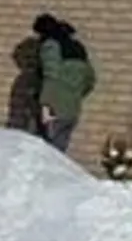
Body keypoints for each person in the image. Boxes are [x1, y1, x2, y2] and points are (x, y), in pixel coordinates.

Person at [34, 15, 98, 154]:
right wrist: (75, 94)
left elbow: (50, 75)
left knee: (47, 147)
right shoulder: (79, 49)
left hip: (52, 106)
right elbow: (90, 80)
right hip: (72, 108)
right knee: (60, 149)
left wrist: (44, 102)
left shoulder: (51, 46)